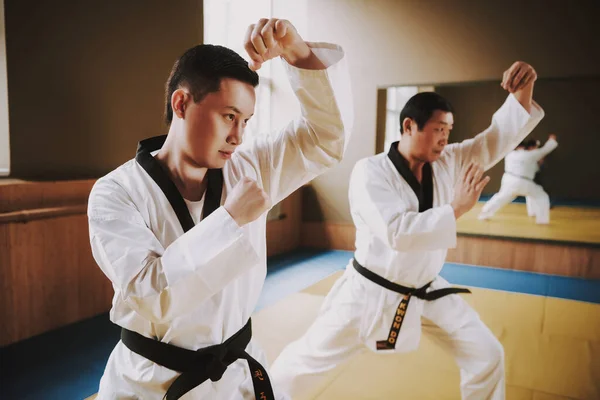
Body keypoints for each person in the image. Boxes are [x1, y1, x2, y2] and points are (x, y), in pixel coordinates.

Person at [87, 17, 353, 400]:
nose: (238, 136)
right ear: (182, 103)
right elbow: (151, 296)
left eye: (246, 121)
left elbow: (325, 140)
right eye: (229, 116)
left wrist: (297, 52)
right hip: (151, 382)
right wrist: (230, 220)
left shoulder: (248, 168)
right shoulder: (116, 192)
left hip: (235, 373)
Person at [270, 61, 544, 400]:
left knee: (487, 354)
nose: (445, 137)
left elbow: (495, 139)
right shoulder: (370, 172)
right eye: (438, 128)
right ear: (409, 125)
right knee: (304, 363)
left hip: (425, 289)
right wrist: (456, 208)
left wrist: (523, 90)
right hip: (369, 294)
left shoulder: (449, 161)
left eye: (449, 130)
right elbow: (396, 232)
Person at [479, 134, 558, 224]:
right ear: (525, 147)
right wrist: (552, 140)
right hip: (524, 182)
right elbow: (545, 150)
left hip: (509, 180)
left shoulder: (509, 154)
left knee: (500, 197)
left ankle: (484, 213)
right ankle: (542, 220)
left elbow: (531, 165)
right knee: (541, 196)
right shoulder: (529, 155)